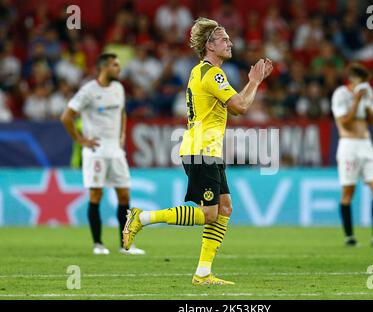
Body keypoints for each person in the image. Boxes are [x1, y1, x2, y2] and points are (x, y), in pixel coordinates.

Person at [122, 17, 273, 285]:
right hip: (202, 149)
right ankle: (142, 217)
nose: (230, 43)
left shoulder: (197, 71)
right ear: (209, 45)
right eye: (224, 39)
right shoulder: (214, 73)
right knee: (209, 214)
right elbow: (240, 107)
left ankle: (203, 273)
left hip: (206, 149)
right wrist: (255, 81)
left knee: (224, 208)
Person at [60, 53, 145, 255]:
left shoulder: (119, 88)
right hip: (95, 151)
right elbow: (66, 117)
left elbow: (122, 112)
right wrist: (81, 140)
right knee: (96, 194)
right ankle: (98, 244)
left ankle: (126, 245)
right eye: (115, 65)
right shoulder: (88, 91)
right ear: (103, 67)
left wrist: (122, 134)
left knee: (124, 194)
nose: (119, 69)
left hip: (115, 150)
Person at [331, 63, 373, 247]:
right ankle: (349, 237)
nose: (364, 84)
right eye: (362, 80)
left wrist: (366, 105)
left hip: (366, 144)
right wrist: (356, 101)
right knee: (348, 192)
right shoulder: (340, 94)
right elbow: (345, 123)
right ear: (352, 80)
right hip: (348, 144)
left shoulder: (368, 92)